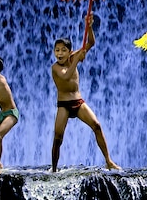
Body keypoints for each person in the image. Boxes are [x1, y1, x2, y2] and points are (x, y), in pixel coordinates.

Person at [51, 14, 120, 172]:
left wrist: (88, 26)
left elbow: (91, 42)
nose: (59, 53)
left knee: (96, 125)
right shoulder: (55, 67)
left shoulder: (74, 56)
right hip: (64, 105)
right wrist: (76, 59)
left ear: (69, 51)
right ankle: (54, 169)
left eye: (63, 50)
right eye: (57, 50)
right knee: (58, 137)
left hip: (78, 102)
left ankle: (108, 161)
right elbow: (66, 75)